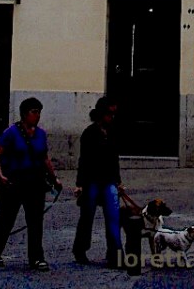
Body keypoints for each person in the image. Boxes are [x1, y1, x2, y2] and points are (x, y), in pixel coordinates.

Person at [0, 97, 62, 271]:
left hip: (34, 181)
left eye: (39, 112)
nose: (37, 116)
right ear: (24, 114)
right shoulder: (11, 132)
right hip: (13, 181)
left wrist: (54, 178)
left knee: (36, 220)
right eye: (34, 112)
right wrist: (1, 175)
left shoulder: (41, 134)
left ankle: (36, 257)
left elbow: (44, 158)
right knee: (7, 218)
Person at [72, 97, 125, 267]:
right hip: (91, 181)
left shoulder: (113, 132)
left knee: (113, 217)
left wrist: (118, 181)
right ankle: (80, 249)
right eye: (110, 113)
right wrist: (80, 184)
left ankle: (115, 254)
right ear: (101, 113)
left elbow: (114, 159)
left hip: (109, 180)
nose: (112, 117)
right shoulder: (89, 133)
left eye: (114, 113)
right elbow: (84, 160)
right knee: (87, 217)